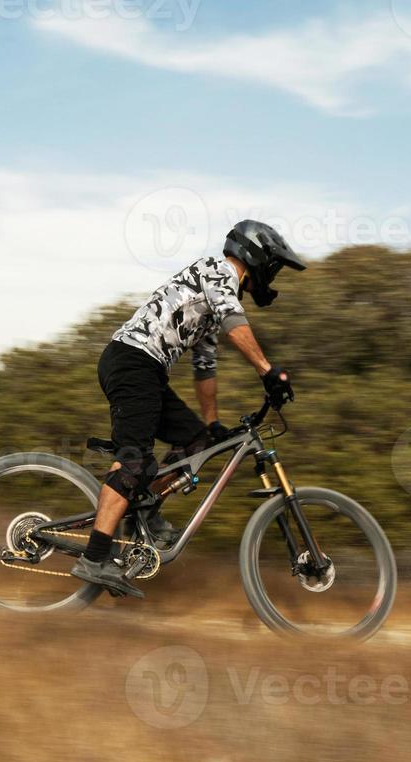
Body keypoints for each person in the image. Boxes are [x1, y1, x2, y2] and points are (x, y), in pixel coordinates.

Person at [70, 219, 305, 597]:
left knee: (195, 442)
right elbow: (235, 324)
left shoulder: (213, 301)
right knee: (135, 463)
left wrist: (211, 424)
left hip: (147, 369)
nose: (272, 275)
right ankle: (95, 557)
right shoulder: (217, 272)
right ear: (257, 257)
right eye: (272, 266)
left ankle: (144, 510)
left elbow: (204, 367)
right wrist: (267, 369)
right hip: (132, 362)